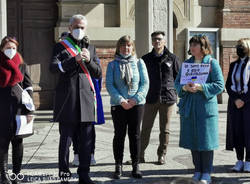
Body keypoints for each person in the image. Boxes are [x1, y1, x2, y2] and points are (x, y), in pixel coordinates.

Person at [50, 14, 102, 184]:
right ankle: (64, 175)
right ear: (70, 28)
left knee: (86, 141)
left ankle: (84, 175)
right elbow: (53, 68)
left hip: (86, 100)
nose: (80, 30)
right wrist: (74, 60)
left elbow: (98, 72)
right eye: (77, 27)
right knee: (66, 141)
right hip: (67, 99)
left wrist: (87, 61)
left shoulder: (91, 48)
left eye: (82, 27)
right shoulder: (60, 46)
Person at [174, 35, 224, 184]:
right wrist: (185, 87)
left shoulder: (212, 63)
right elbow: (177, 84)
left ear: (203, 47)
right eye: (191, 44)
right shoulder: (186, 64)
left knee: (206, 141)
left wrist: (201, 87)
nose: (192, 47)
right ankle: (197, 170)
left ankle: (207, 172)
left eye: (195, 44)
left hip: (206, 109)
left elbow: (219, 85)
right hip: (190, 108)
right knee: (193, 140)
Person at [106, 35, 149, 179]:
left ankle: (135, 165)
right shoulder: (112, 65)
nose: (126, 48)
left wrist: (135, 100)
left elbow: (145, 84)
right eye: (123, 45)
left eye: (129, 45)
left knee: (135, 135)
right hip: (118, 105)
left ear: (133, 47)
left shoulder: (139, 63)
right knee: (119, 135)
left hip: (136, 105)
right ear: (118, 48)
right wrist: (121, 100)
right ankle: (118, 165)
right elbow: (110, 85)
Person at [140, 31, 181, 165]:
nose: (157, 41)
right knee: (145, 128)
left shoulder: (172, 58)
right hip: (150, 98)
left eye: (159, 39)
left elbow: (178, 78)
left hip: (167, 98)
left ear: (164, 41)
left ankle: (161, 155)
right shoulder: (145, 59)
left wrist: (178, 94)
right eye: (154, 39)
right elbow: (140, 79)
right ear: (152, 42)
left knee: (165, 129)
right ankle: (139, 155)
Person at [0, 36, 34, 184]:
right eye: (8, 48)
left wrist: (30, 111)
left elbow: (28, 88)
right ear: (2, 49)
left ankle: (16, 174)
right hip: (2, 108)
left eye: (13, 48)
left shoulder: (22, 65)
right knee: (2, 142)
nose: (11, 51)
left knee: (18, 142)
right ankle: (3, 174)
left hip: (19, 110)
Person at [225, 38, 250, 172]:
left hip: (248, 103)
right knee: (237, 132)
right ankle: (239, 159)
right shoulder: (234, 64)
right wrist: (235, 99)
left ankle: (249, 161)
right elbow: (228, 84)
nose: (238, 48)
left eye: (241, 46)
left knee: (248, 132)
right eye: (237, 46)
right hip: (235, 103)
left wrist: (244, 100)